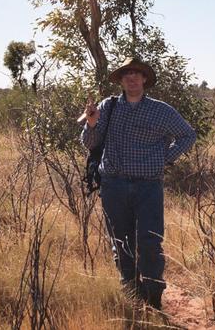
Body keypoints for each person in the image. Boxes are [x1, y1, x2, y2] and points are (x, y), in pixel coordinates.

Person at [80, 57, 196, 309]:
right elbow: (89, 143)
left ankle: (154, 296)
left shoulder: (161, 110)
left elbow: (188, 134)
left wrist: (166, 158)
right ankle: (133, 293)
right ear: (120, 80)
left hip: (148, 187)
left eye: (137, 74)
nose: (132, 78)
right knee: (121, 243)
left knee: (150, 241)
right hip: (114, 186)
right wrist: (91, 123)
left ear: (144, 79)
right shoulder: (108, 107)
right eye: (126, 74)